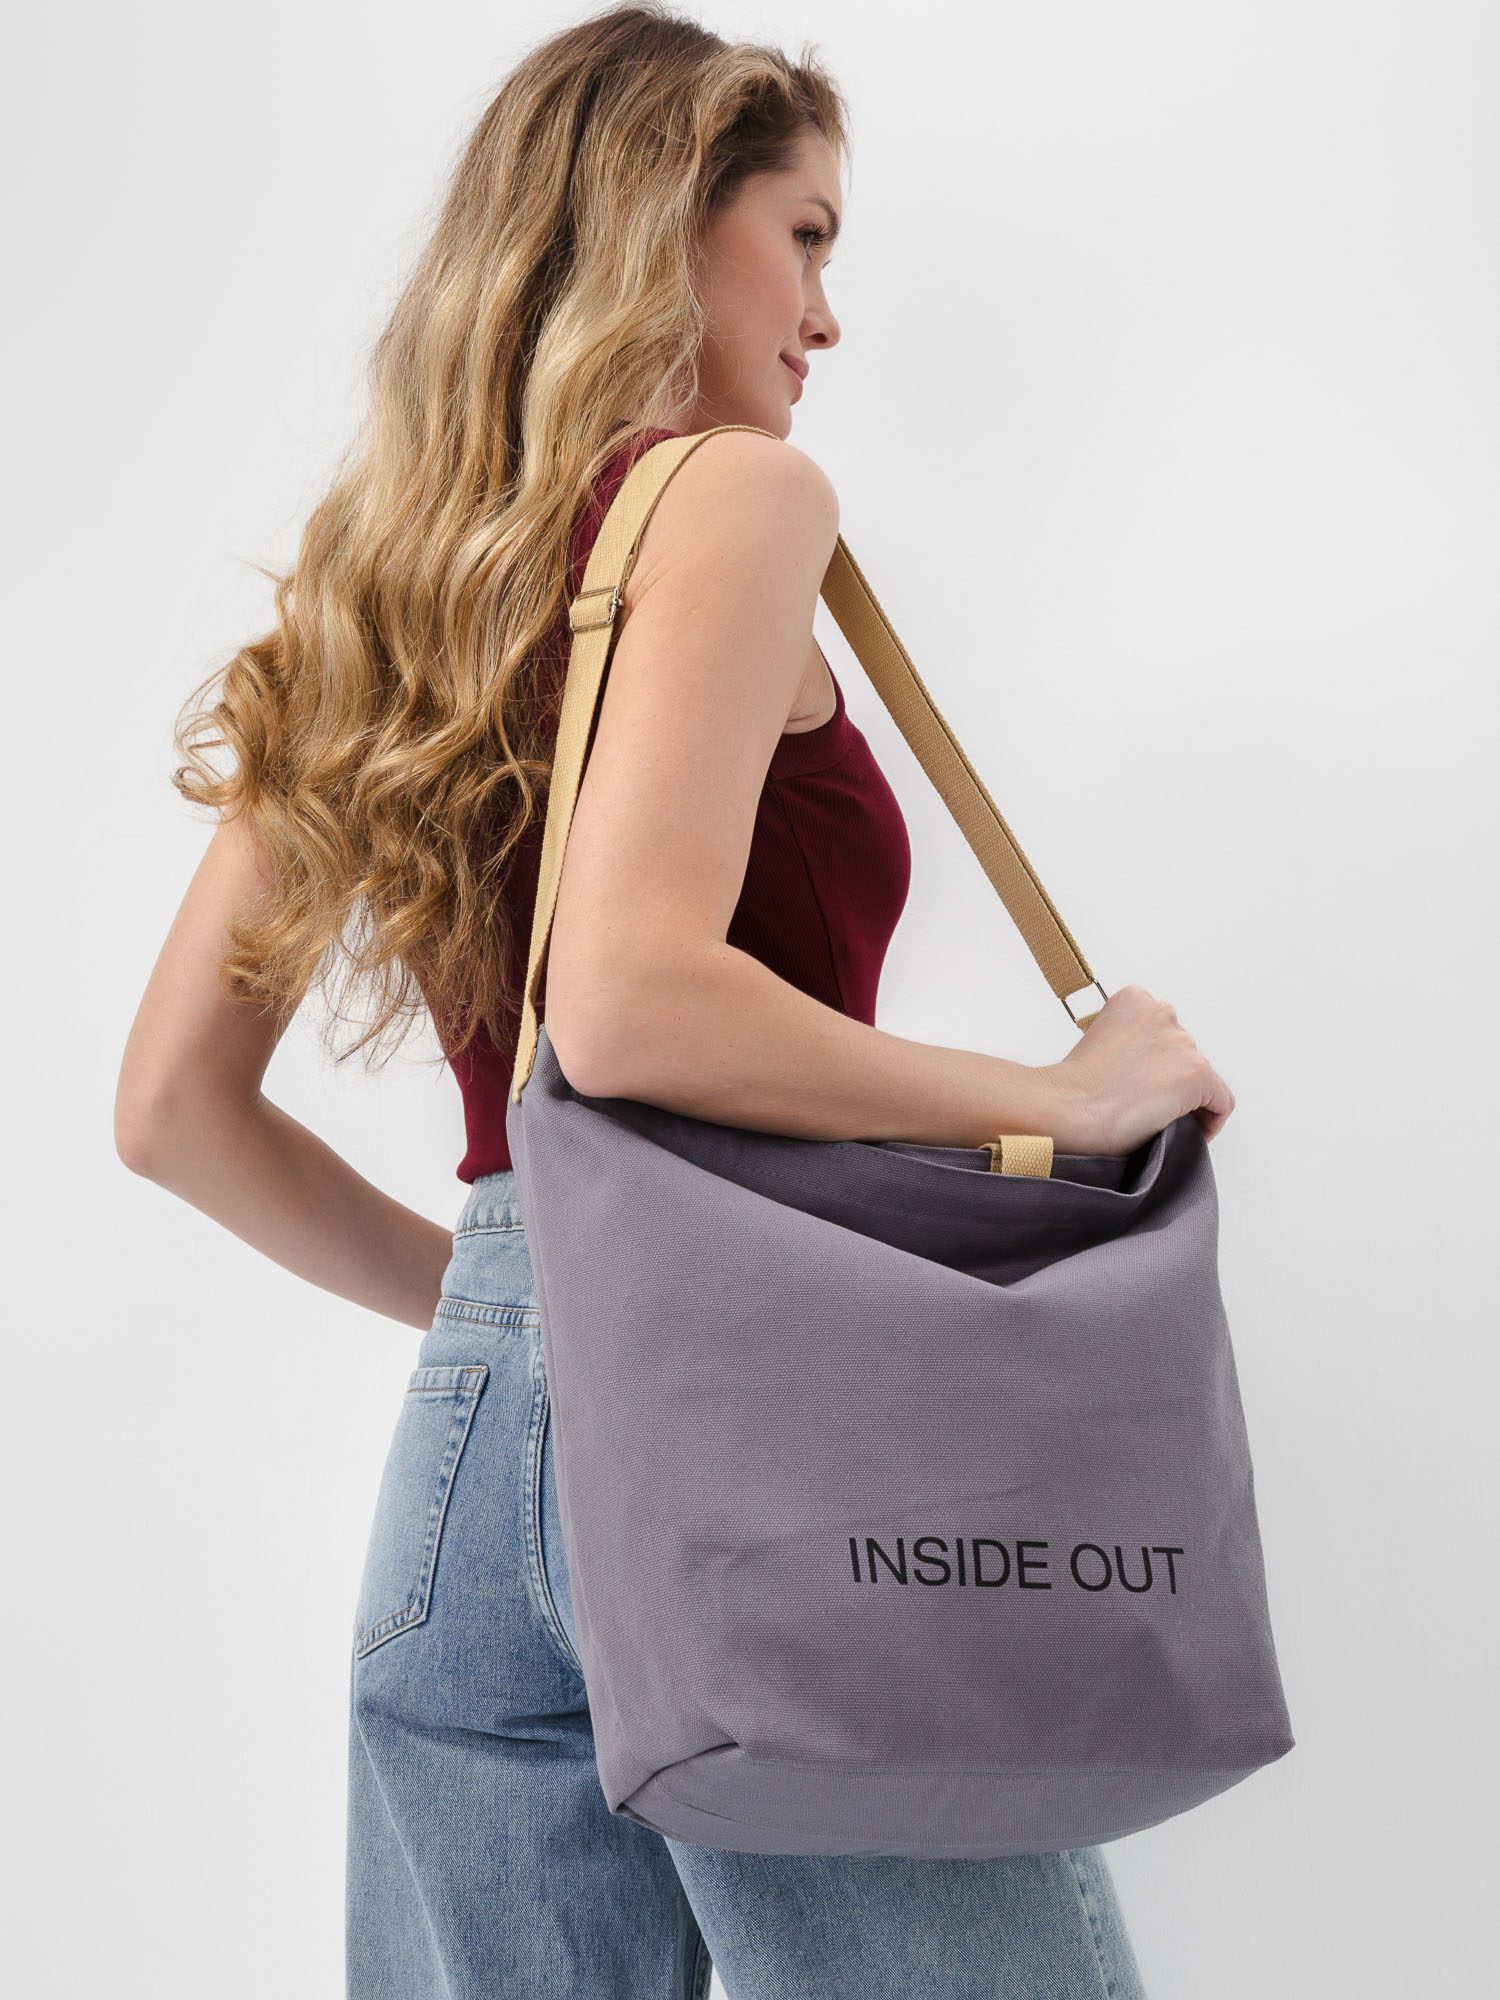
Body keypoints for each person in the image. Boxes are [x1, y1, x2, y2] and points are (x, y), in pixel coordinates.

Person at [116, 6, 1234, 1994]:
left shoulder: (381, 580)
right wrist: (1057, 1100)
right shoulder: (732, 495)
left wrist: (515, 1325)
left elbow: (171, 1109)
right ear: (665, 218)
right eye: (804, 237)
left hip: (476, 1466)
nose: (827, 316)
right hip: (760, 1417)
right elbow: (624, 1009)